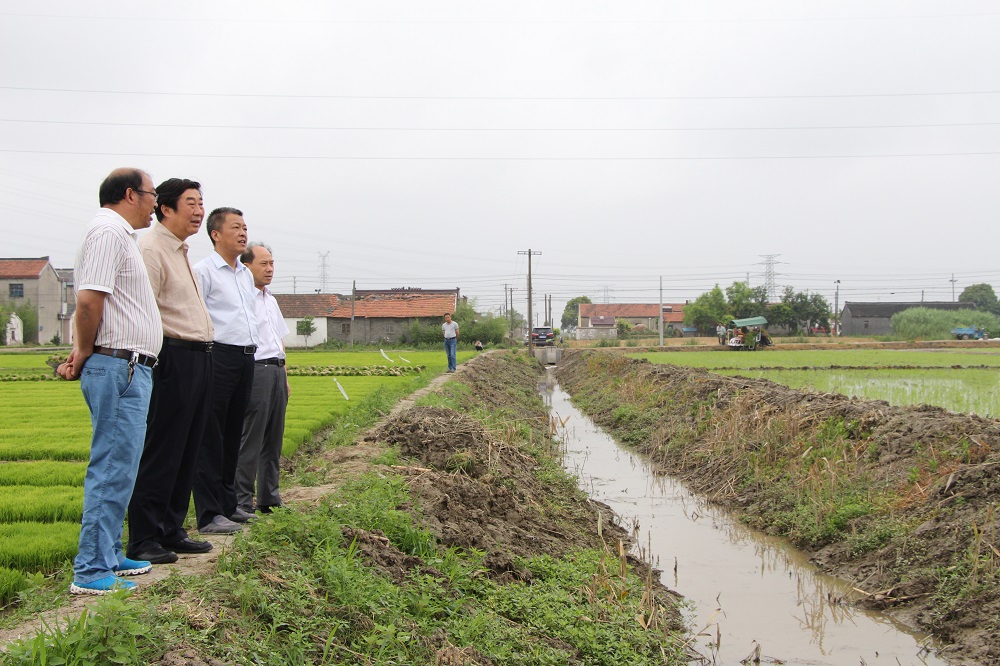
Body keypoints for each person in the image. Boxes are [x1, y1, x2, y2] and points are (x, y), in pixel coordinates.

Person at [59, 168, 162, 594]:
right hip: (119, 366)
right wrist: (83, 351)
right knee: (111, 467)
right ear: (130, 194)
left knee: (122, 467)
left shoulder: (121, 236)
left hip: (130, 367)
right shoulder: (107, 232)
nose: (156, 203)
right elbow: (88, 301)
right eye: (153, 194)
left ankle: (109, 553)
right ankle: (90, 569)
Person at [127, 178, 216, 565]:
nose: (198, 211)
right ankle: (144, 537)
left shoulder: (181, 250)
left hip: (199, 357)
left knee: (187, 449)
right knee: (162, 449)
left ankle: (171, 529)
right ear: (165, 208)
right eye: (190, 203)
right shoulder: (151, 248)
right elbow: (143, 308)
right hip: (172, 357)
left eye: (201, 203)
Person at [193, 207, 260, 533]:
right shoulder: (203, 271)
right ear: (216, 234)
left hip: (245, 357)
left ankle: (228, 505)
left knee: (233, 433)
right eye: (236, 227)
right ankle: (208, 514)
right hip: (217, 356)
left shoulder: (245, 274)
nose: (243, 233)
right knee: (211, 435)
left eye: (245, 227)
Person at [235, 242, 289, 516]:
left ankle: (269, 498)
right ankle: (242, 501)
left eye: (272, 263)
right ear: (246, 267)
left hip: (276, 370)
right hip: (256, 370)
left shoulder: (271, 300)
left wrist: (285, 376)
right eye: (263, 264)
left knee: (273, 439)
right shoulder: (242, 299)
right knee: (251, 438)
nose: (269, 269)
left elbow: (279, 339)